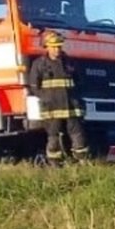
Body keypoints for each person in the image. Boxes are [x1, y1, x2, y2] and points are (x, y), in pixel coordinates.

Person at [25, 30, 90, 163]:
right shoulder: (39, 64)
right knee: (53, 136)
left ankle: (82, 161)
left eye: (59, 46)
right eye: (54, 47)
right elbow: (34, 86)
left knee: (78, 135)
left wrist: (77, 97)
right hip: (52, 108)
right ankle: (55, 164)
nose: (57, 50)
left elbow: (80, 82)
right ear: (47, 47)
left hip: (71, 106)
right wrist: (47, 98)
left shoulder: (70, 63)